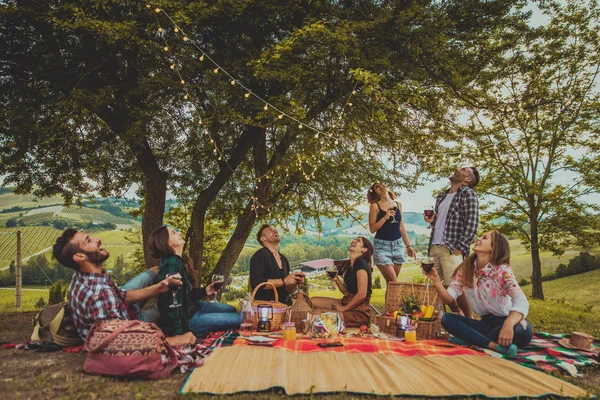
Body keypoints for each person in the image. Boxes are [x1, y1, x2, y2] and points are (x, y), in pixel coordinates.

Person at [52, 229, 195, 346]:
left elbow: (122, 295)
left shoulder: (87, 275)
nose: (98, 239)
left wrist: (158, 288)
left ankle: (162, 275)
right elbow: (118, 341)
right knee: (163, 315)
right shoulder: (99, 294)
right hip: (129, 322)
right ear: (79, 256)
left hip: (124, 309)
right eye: (89, 240)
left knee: (154, 273)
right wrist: (175, 340)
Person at [424, 231, 532, 357]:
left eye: (484, 237)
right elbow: (449, 298)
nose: (478, 238)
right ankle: (493, 345)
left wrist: (508, 324)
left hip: (509, 320)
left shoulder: (502, 271)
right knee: (447, 319)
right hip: (485, 324)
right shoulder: (466, 270)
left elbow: (521, 301)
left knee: (522, 332)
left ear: (494, 247)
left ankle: (471, 338)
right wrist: (436, 280)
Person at [148, 226, 241, 337]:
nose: (179, 232)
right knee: (242, 319)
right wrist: (179, 334)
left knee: (231, 309)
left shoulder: (178, 261)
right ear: (165, 242)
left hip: (196, 306)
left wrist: (205, 291)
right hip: (190, 318)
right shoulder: (170, 264)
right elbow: (171, 303)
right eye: (173, 232)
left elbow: (185, 294)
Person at [424, 166, 480, 317]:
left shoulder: (468, 194)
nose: (456, 168)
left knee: (454, 285)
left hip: (452, 248)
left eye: (462, 169)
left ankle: (469, 319)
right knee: (435, 286)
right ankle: (447, 318)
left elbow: (472, 223)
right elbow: (441, 223)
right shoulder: (441, 195)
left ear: (467, 179)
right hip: (434, 246)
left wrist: (460, 247)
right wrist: (431, 221)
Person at [311, 237, 374, 328]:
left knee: (318, 312)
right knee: (313, 301)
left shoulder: (361, 264)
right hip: (348, 301)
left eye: (358, 241)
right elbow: (346, 292)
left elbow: (362, 294)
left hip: (359, 311)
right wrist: (337, 280)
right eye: (355, 239)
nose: (354, 241)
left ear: (364, 249)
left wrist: (344, 308)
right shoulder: (349, 265)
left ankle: (312, 331)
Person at [367, 182, 416, 284]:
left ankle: (390, 300)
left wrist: (408, 246)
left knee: (392, 285)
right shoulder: (375, 207)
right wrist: (386, 216)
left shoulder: (398, 204)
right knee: (393, 282)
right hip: (382, 247)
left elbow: (401, 226)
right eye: (377, 187)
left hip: (398, 245)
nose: (380, 186)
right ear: (375, 193)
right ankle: (396, 300)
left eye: (381, 184)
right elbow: (372, 228)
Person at [249, 224, 304, 306]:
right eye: (269, 230)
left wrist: (295, 282)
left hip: (285, 306)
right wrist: (284, 281)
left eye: (274, 229)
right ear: (263, 238)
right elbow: (256, 283)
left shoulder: (284, 259)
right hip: (266, 308)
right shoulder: (260, 255)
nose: (275, 231)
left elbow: (286, 290)